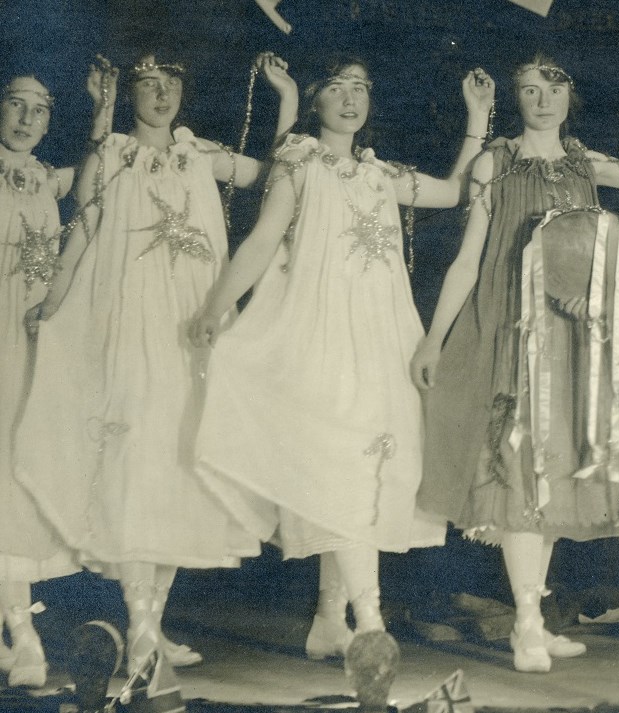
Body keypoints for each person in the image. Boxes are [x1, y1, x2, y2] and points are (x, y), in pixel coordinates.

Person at [408, 50, 619, 673]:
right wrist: (433, 339)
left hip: (570, 334)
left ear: (570, 95)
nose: (541, 100)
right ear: (516, 100)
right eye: (528, 90)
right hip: (510, 331)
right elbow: (469, 258)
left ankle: (532, 617)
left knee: (550, 474)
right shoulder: (496, 161)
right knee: (518, 474)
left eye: (552, 88)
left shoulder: (584, 163)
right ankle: (523, 622)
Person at [188, 56, 492, 659]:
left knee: (367, 474)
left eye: (361, 89)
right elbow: (261, 242)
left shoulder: (382, 174)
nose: (350, 100)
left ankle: (329, 618)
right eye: (337, 89)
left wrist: (478, 117)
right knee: (338, 471)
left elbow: (454, 192)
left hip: (384, 339)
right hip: (319, 336)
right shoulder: (300, 165)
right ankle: (370, 622)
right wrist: (214, 308)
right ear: (318, 101)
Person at [16, 51, 296, 672]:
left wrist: (288, 101)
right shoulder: (111, 153)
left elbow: (279, 177)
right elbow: (83, 228)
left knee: (178, 467)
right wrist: (54, 303)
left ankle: (150, 622)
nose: (162, 94)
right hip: (130, 328)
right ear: (132, 92)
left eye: (172, 82)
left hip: (192, 330)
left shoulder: (201, 153)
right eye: (149, 84)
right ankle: (140, 624)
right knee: (135, 464)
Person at [0, 66, 113, 688]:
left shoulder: (48, 176)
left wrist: (102, 107)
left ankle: (14, 627)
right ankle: (23, 634)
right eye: (16, 105)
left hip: (36, 337)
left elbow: (96, 179)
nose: (26, 119)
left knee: (24, 469)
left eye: (40, 110)